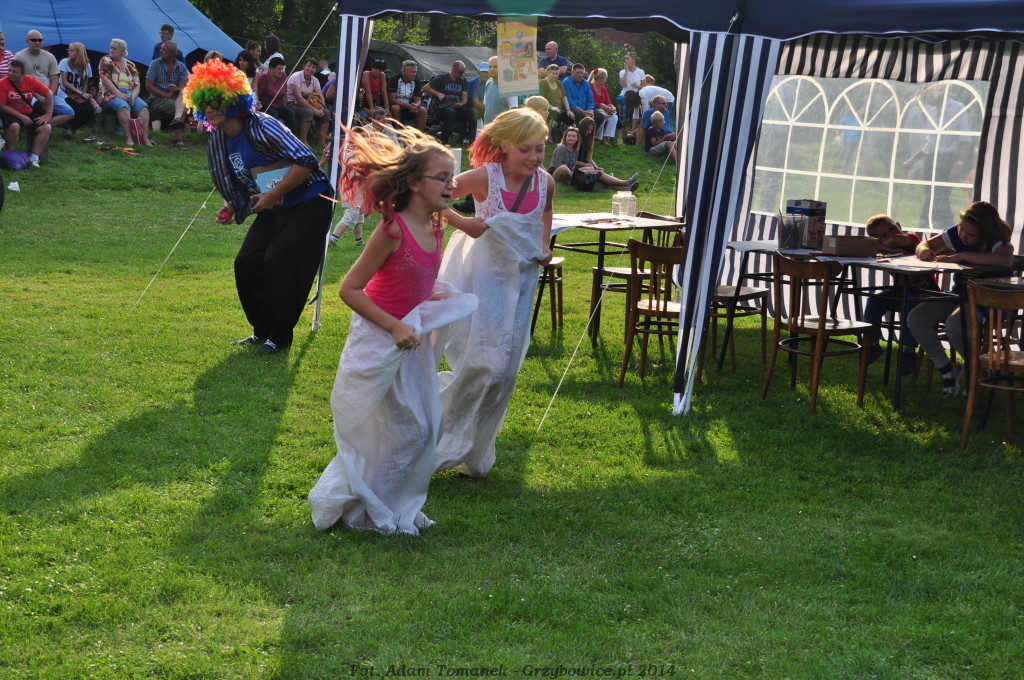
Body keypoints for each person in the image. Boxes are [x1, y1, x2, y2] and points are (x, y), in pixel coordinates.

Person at [307, 126, 478, 535]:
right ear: (414, 183)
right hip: (379, 338)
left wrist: (428, 301)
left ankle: (397, 504)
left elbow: (414, 280)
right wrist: (394, 324)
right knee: (399, 428)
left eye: (452, 177)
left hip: (410, 340)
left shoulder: (437, 223)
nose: (451, 185)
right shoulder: (392, 230)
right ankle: (367, 506)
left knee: (426, 426)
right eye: (442, 177)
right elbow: (350, 289)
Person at [433, 108, 554, 478]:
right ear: (504, 146)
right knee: (485, 364)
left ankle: (475, 452)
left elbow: (546, 212)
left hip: (522, 282)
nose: (533, 157)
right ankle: (434, 429)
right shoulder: (487, 176)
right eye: (524, 149)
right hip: (483, 280)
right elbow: (431, 198)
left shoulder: (545, 182)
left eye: (539, 149)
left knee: (506, 372)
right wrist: (464, 222)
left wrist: (544, 244)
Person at [183, 58, 334, 355]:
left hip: (309, 202)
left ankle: (279, 337)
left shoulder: (262, 125)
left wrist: (272, 194)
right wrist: (230, 206)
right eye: (204, 102)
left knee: (279, 263)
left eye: (216, 101)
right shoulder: (219, 140)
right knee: (247, 262)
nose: (210, 108)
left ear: (233, 100)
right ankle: (261, 331)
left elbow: (306, 161)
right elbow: (240, 180)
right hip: (273, 205)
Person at [906, 201, 1014, 395]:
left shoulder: (998, 242)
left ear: (986, 233)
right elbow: (924, 244)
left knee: (956, 325)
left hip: (988, 301)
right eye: (961, 229)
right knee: (917, 318)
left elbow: (1004, 260)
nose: (963, 235)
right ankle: (947, 368)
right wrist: (924, 252)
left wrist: (962, 256)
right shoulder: (958, 232)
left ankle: (978, 371)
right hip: (960, 294)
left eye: (971, 234)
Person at [861, 215, 939, 375]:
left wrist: (884, 244)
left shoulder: (912, 239)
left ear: (899, 225)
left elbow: (895, 240)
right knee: (875, 299)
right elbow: (866, 246)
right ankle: (872, 343)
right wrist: (887, 250)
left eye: (892, 228)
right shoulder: (886, 250)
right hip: (900, 290)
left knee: (910, 303)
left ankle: (908, 350)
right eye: (884, 235)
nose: (890, 234)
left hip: (926, 292)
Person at [549, 124, 637, 191]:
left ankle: (623, 188)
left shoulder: (575, 149)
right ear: (565, 137)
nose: (571, 138)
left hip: (570, 174)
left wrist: (588, 168)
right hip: (557, 175)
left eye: (573, 136)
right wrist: (580, 172)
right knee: (565, 168)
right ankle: (626, 182)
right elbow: (558, 167)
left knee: (595, 171)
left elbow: (572, 163)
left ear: (577, 139)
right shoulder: (562, 148)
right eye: (569, 136)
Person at [0, 60, 53, 167]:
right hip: (10, 113)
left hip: (28, 112)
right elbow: (2, 106)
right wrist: (21, 116)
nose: (10, 73)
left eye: (14, 72)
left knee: (46, 127)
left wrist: (48, 115)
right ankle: (10, 155)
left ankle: (34, 157)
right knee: (14, 126)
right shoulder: (2, 83)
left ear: (23, 74)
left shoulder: (30, 81)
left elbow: (49, 94)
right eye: (9, 70)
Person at [99, 39, 151, 147]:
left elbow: (137, 84)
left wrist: (134, 96)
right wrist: (120, 94)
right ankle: (129, 137)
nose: (111, 50)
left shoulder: (130, 65)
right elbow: (105, 81)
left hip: (129, 93)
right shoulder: (106, 60)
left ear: (122, 51)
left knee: (144, 108)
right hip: (110, 93)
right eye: (110, 47)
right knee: (123, 106)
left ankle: (145, 139)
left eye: (114, 48)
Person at [146, 40, 189, 148]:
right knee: (183, 108)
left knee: (183, 95)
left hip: (174, 99)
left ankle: (177, 120)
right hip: (157, 99)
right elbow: (148, 86)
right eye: (161, 48)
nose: (161, 51)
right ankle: (178, 138)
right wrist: (166, 95)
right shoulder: (155, 63)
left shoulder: (181, 67)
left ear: (172, 53)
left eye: (164, 50)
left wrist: (176, 88)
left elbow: (183, 89)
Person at [423, 61, 473, 145]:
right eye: (460, 72)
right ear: (454, 70)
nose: (461, 75)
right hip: (441, 107)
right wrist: (437, 93)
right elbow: (425, 87)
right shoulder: (442, 77)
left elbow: (465, 98)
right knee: (450, 111)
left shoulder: (463, 80)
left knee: (472, 112)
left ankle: (470, 140)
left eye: (463, 72)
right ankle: (444, 140)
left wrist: (460, 104)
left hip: (456, 107)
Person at [54, 42, 98, 138]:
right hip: (65, 94)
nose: (69, 52)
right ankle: (68, 128)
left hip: (78, 94)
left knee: (91, 110)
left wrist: (84, 95)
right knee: (80, 110)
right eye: (68, 50)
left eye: (72, 50)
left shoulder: (87, 65)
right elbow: (65, 82)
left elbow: (85, 83)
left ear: (79, 53)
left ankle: (71, 129)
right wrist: (81, 93)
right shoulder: (64, 62)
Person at [285, 57, 325, 147]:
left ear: (315, 70)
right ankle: (303, 142)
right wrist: (315, 110)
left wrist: (322, 107)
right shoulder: (296, 77)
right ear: (304, 66)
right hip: (292, 103)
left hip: (307, 103)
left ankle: (322, 143)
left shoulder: (315, 80)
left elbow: (321, 96)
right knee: (308, 112)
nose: (310, 69)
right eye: (309, 66)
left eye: (313, 67)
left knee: (326, 113)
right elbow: (298, 98)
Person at [254, 56, 295, 131]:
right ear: (271, 68)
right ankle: (273, 135)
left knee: (290, 112)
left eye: (282, 69)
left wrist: (285, 106)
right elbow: (257, 94)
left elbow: (284, 94)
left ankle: (291, 135)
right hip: (264, 105)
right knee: (274, 114)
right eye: (279, 69)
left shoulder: (283, 76)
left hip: (278, 105)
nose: (281, 71)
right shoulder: (263, 78)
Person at [562, 63, 603, 130]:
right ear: (572, 72)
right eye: (578, 73)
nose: (580, 75)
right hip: (572, 108)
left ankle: (589, 133)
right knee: (578, 114)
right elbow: (569, 101)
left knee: (599, 116)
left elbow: (590, 99)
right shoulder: (566, 82)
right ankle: (579, 133)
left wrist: (590, 110)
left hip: (585, 109)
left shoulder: (586, 83)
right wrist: (583, 112)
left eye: (582, 73)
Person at [387, 60, 426, 130]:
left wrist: (415, 105)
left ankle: (420, 133)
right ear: (404, 71)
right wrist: (408, 106)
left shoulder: (416, 81)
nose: (414, 74)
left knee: (423, 110)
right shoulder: (394, 79)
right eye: (412, 72)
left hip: (411, 107)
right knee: (395, 108)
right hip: (397, 106)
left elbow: (418, 100)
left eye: (415, 72)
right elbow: (392, 99)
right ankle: (398, 132)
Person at [538, 63, 570, 140]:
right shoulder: (543, 83)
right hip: (547, 107)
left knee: (570, 117)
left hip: (559, 108)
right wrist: (552, 107)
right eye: (553, 74)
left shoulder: (558, 83)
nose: (555, 76)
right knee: (553, 113)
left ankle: (564, 136)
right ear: (548, 73)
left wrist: (568, 110)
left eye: (557, 74)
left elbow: (564, 97)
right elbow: (542, 99)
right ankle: (549, 136)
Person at [619, 52, 645, 140]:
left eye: (628, 58)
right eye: (625, 59)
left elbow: (644, 86)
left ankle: (635, 138)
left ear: (633, 60)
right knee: (624, 121)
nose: (625, 60)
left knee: (639, 118)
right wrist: (626, 71)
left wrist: (638, 86)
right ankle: (625, 140)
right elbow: (622, 84)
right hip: (625, 96)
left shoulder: (640, 72)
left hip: (637, 96)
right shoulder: (622, 72)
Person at [589, 68, 619, 143]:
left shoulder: (603, 88)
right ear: (601, 78)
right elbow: (590, 101)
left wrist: (612, 107)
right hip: (594, 108)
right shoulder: (589, 86)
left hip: (603, 109)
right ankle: (597, 137)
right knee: (601, 116)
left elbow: (608, 101)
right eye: (605, 78)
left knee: (614, 117)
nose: (605, 80)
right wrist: (603, 106)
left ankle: (605, 137)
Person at [358, 56, 389, 122]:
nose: (377, 71)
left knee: (387, 114)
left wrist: (387, 108)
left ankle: (389, 128)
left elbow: (384, 92)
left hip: (374, 102)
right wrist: (371, 108)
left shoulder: (382, 75)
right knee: (371, 115)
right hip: (362, 104)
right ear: (372, 68)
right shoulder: (366, 74)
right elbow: (368, 92)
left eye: (380, 70)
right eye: (375, 68)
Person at [467, 61, 489, 127]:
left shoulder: (493, 83)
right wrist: (489, 108)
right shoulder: (473, 82)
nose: (484, 75)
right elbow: (475, 102)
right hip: (477, 108)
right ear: (479, 73)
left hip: (488, 107)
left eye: (486, 72)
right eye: (483, 72)